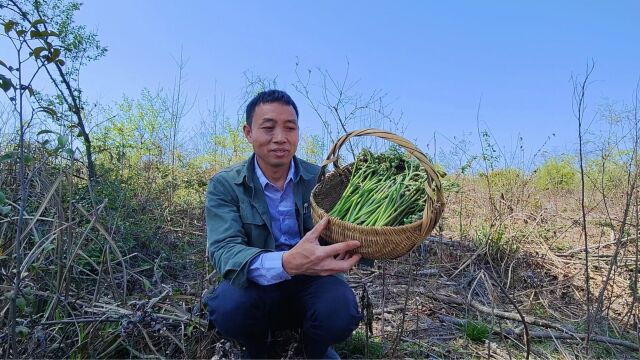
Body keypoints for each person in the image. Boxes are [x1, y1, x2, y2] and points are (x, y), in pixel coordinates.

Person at [205, 89, 363, 359]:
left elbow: (349, 229)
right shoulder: (225, 184)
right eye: (268, 127)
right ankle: (258, 349)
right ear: (248, 133)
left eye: (290, 128)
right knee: (228, 307)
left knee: (340, 311)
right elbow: (223, 249)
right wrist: (288, 262)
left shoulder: (321, 179)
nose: (280, 138)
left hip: (314, 282)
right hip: (257, 284)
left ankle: (313, 349)